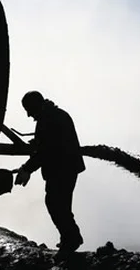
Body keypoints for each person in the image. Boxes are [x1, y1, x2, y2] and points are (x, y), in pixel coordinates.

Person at [14, 91, 86, 256]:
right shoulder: (55, 115)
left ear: (35, 106)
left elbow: (46, 151)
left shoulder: (48, 120)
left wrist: (27, 168)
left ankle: (72, 239)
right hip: (67, 167)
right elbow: (48, 143)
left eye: (29, 110)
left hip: (62, 168)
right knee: (60, 204)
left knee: (56, 203)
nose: (28, 115)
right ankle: (69, 237)